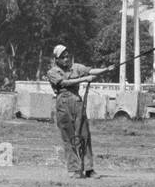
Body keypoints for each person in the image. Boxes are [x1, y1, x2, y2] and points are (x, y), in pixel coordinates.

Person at [47, 44, 110, 177]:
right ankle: (75, 169)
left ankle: (89, 169)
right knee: (68, 137)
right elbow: (63, 83)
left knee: (84, 135)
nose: (66, 59)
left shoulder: (76, 67)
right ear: (56, 60)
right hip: (62, 103)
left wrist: (106, 70)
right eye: (62, 57)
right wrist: (84, 79)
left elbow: (91, 71)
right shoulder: (52, 72)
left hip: (77, 101)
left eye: (67, 56)